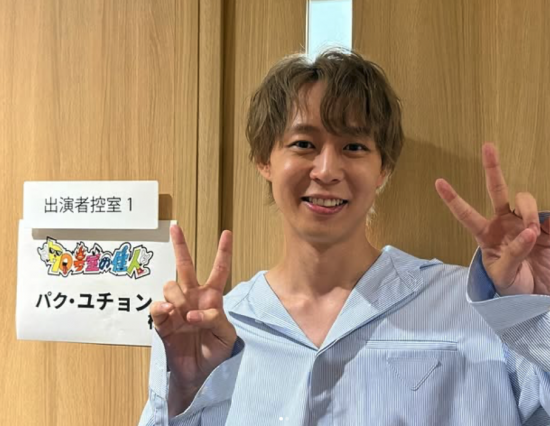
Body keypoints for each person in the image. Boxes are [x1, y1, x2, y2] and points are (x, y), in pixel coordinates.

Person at [138, 49, 550, 425]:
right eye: (303, 144)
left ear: (383, 169)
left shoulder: (481, 309)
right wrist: (189, 391)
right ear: (265, 160)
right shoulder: (208, 333)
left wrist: (534, 311)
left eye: (353, 147)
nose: (326, 171)